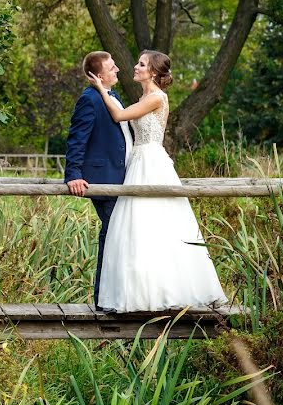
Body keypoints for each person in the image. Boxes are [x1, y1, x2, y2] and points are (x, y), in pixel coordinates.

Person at [86, 49, 228, 312]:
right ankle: (140, 292)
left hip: (151, 163)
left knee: (156, 223)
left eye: (141, 64)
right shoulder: (144, 97)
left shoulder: (156, 98)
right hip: (137, 162)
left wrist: (101, 89)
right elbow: (123, 113)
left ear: (152, 72)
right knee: (136, 228)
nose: (136, 67)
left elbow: (119, 115)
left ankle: (166, 291)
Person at [64, 51, 134, 310]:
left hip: (121, 178)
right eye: (112, 67)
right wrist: (73, 174)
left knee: (115, 234)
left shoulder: (112, 96)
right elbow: (76, 138)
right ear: (98, 74)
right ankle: (104, 299)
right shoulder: (90, 99)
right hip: (103, 179)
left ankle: (113, 297)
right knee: (114, 234)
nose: (117, 69)